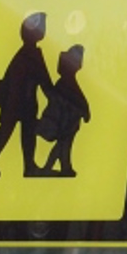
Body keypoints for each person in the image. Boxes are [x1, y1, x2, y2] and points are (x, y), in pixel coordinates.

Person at [0, 12, 52, 178]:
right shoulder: (27, 54)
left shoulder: (33, 53)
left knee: (28, 132)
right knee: (7, 129)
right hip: (16, 100)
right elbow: (42, 79)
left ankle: (29, 166)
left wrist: (52, 94)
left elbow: (44, 80)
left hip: (26, 101)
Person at [39, 44, 90, 177]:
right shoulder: (65, 82)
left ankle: (60, 167)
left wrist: (84, 110)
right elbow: (75, 98)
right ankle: (57, 167)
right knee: (64, 144)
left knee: (63, 144)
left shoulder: (68, 81)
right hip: (64, 121)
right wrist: (85, 110)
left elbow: (78, 98)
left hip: (69, 121)